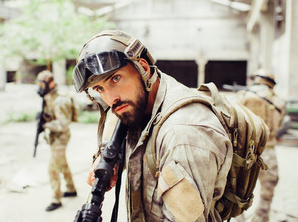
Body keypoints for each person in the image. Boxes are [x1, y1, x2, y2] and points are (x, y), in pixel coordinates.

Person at [72, 30, 233, 221]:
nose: (110, 98)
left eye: (115, 78)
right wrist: (107, 158)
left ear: (143, 68)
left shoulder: (183, 135)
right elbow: (119, 123)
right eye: (99, 89)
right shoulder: (136, 101)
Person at [237, 69, 286, 222]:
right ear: (272, 84)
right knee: (267, 189)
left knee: (238, 188)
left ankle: (239, 218)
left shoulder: (241, 96)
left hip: (244, 150)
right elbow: (280, 126)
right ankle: (260, 217)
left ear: (255, 80)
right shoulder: (279, 101)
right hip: (268, 151)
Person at [36, 70, 78, 212]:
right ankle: (71, 189)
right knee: (62, 163)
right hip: (55, 136)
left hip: (61, 137)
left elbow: (63, 124)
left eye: (41, 84)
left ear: (50, 83)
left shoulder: (60, 100)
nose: (40, 87)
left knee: (53, 168)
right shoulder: (50, 97)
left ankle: (56, 198)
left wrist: (45, 125)